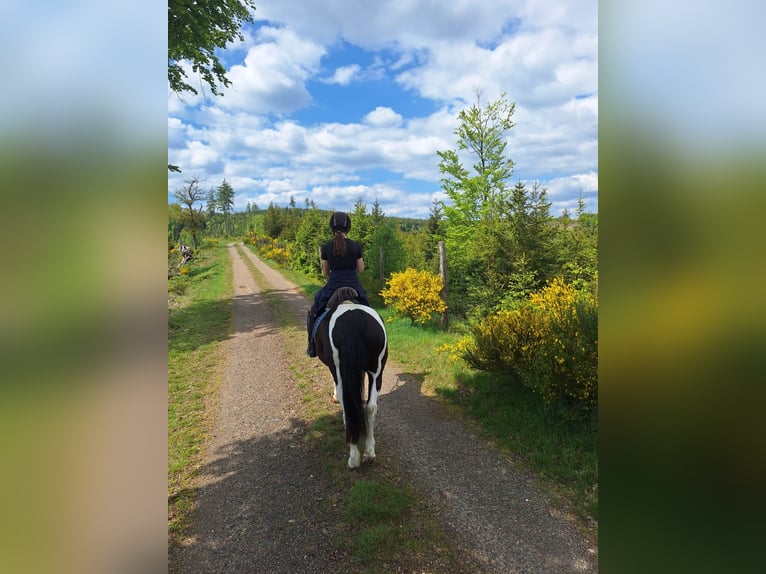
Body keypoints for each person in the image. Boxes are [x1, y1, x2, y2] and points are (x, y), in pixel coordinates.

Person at [306, 211, 370, 357]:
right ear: (348, 228)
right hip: (354, 286)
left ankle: (311, 346)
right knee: (369, 311)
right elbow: (360, 269)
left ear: (332, 228)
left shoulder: (326, 247)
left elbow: (325, 272)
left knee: (313, 311)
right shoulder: (355, 246)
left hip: (333, 286)